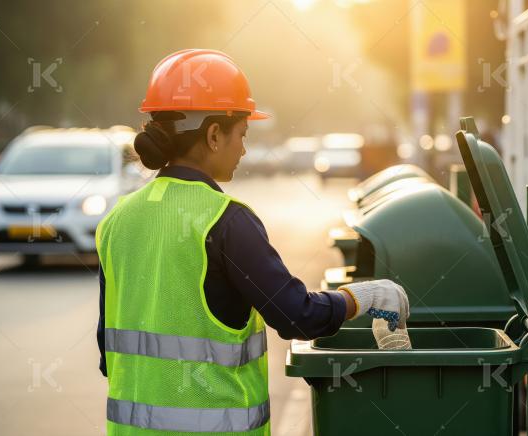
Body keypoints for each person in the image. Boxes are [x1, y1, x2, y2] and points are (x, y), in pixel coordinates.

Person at [95, 49, 409, 435]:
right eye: (241, 134)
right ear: (214, 135)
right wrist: (365, 297)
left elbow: (108, 351)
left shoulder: (116, 220)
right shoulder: (226, 220)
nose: (243, 149)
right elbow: (297, 315)